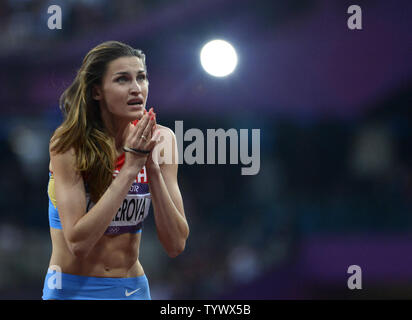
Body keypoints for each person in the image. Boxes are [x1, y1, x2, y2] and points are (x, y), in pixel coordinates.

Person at [42, 41, 189, 300]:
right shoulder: (69, 145)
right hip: (71, 289)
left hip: (131, 289)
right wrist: (132, 167)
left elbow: (176, 244)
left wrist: (151, 165)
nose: (136, 88)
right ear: (97, 91)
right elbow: (78, 243)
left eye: (141, 78)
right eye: (122, 79)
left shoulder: (162, 140)